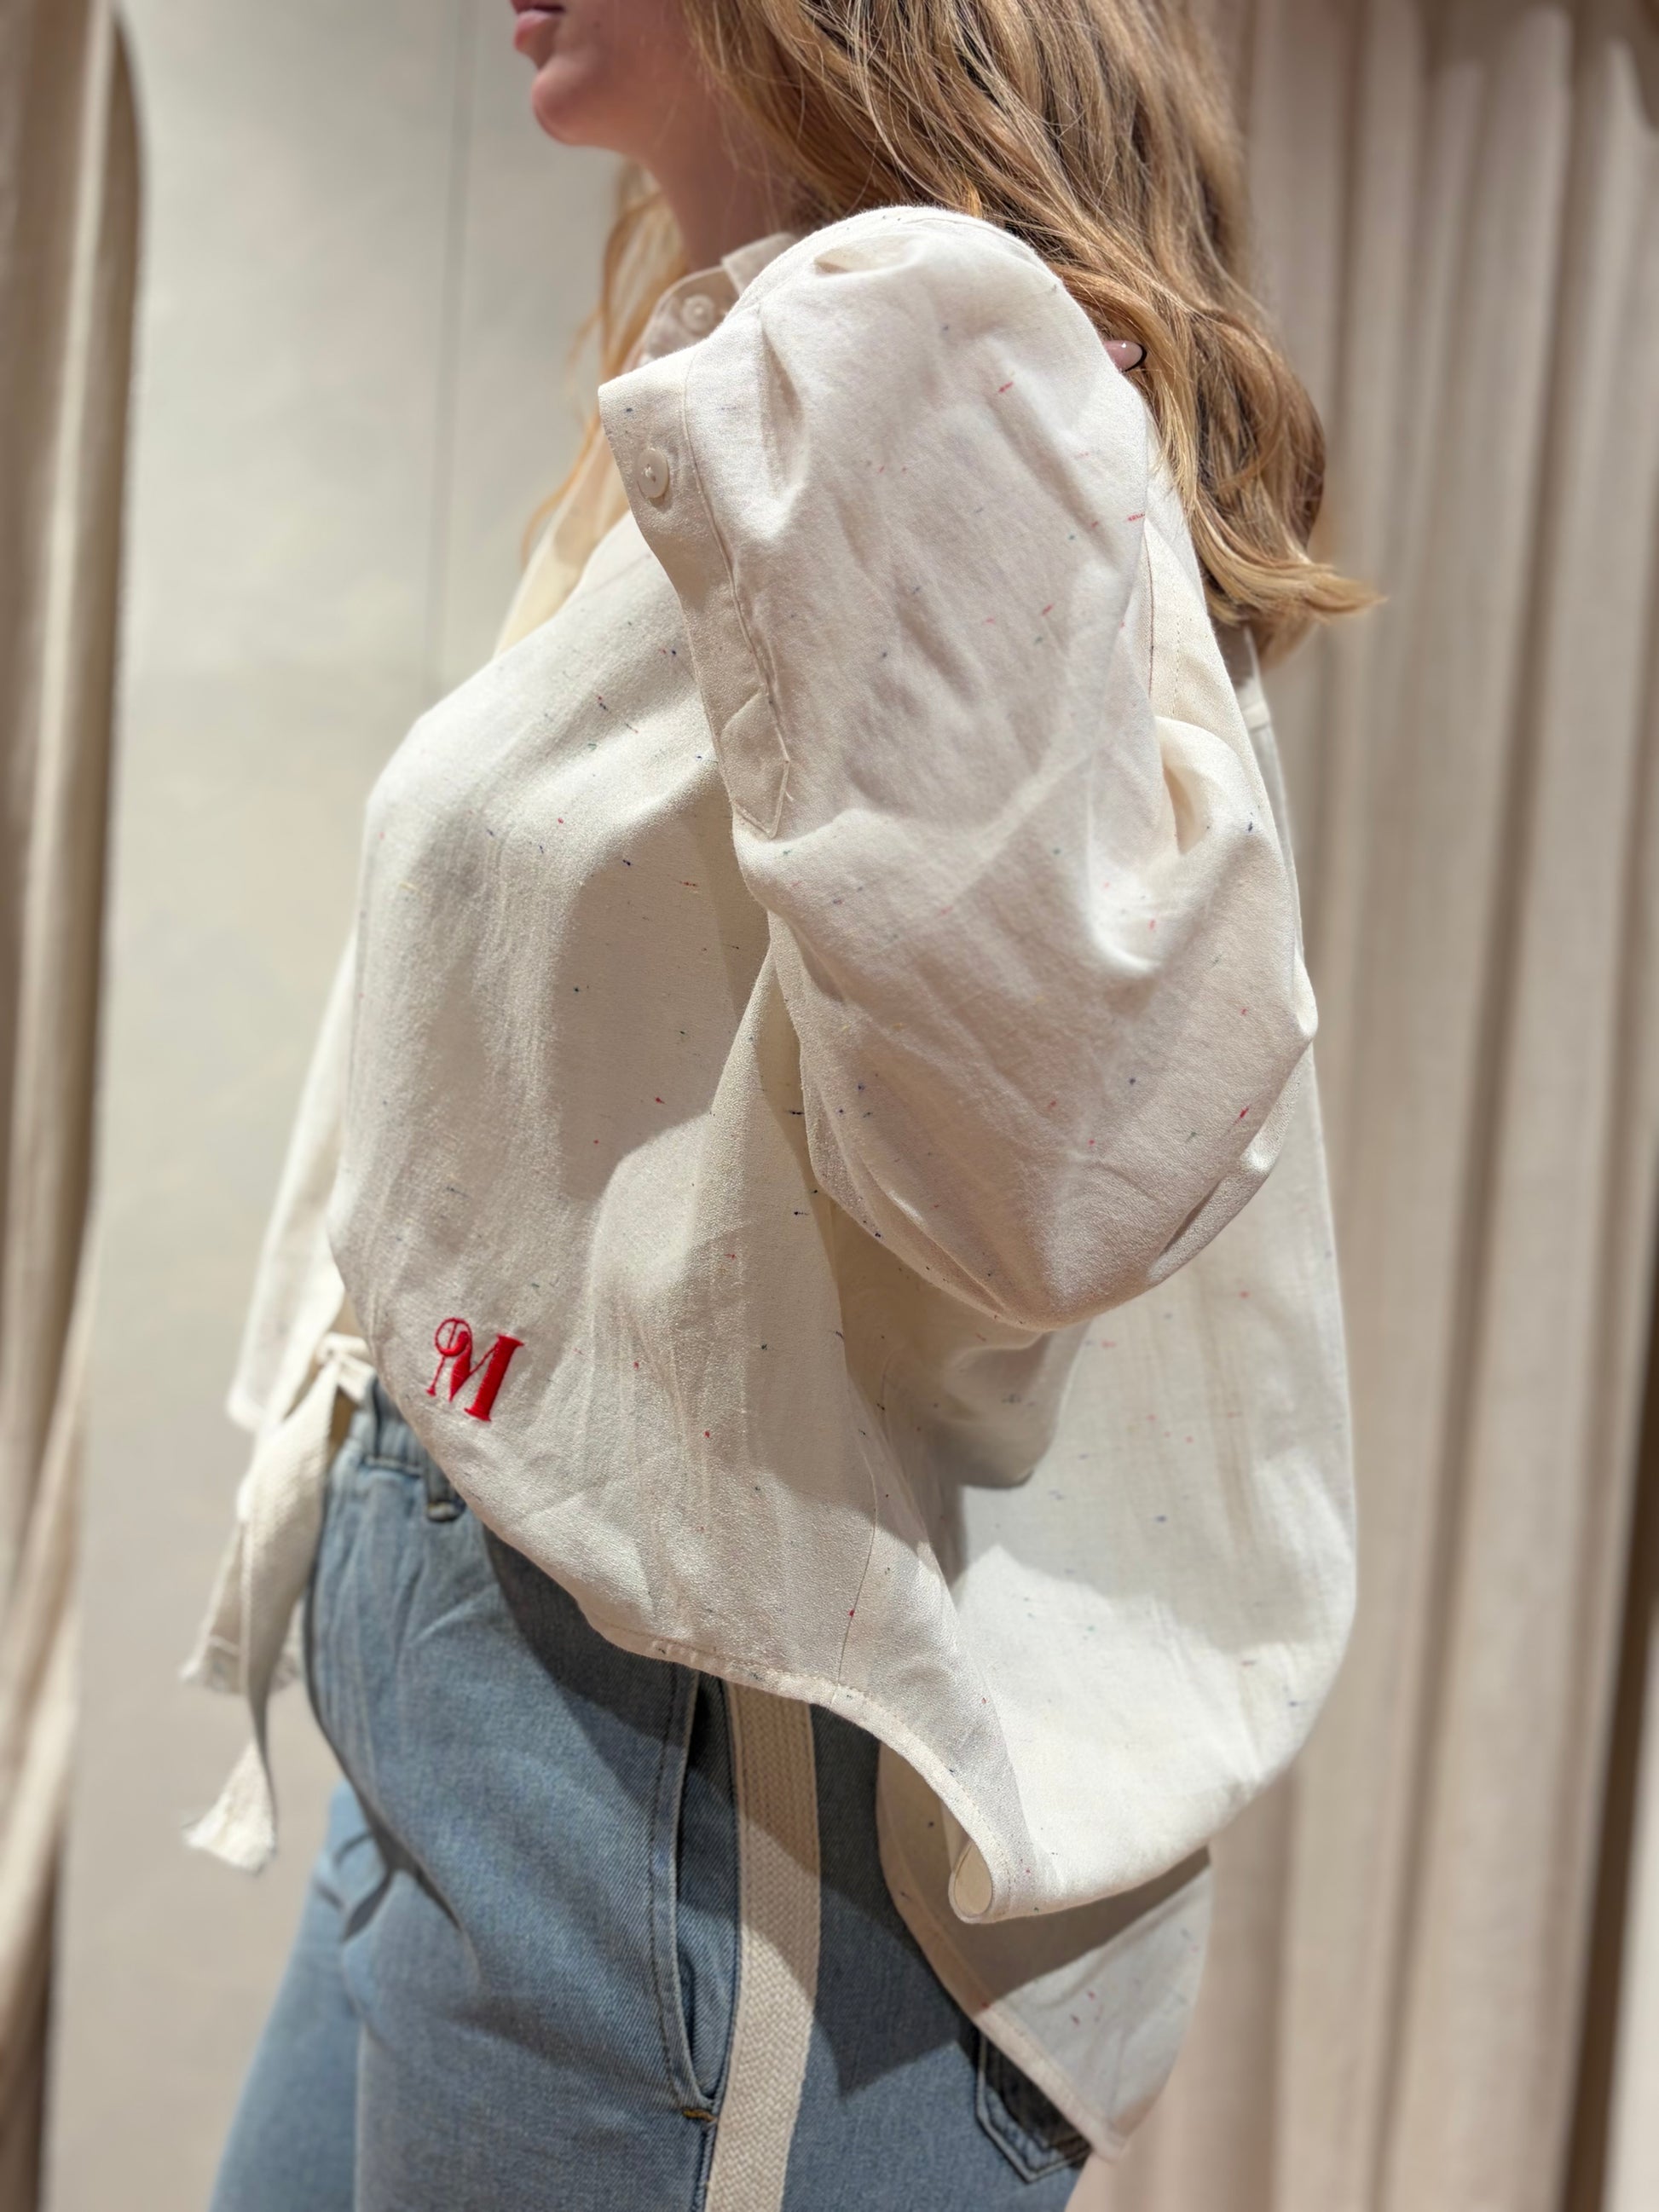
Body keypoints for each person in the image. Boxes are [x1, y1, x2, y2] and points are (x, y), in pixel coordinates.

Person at [192, 2, 1367, 2205]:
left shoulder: (912, 355)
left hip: (680, 1784)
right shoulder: (768, 367)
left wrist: (887, 381)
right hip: (505, 1678)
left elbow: (1049, 1175)